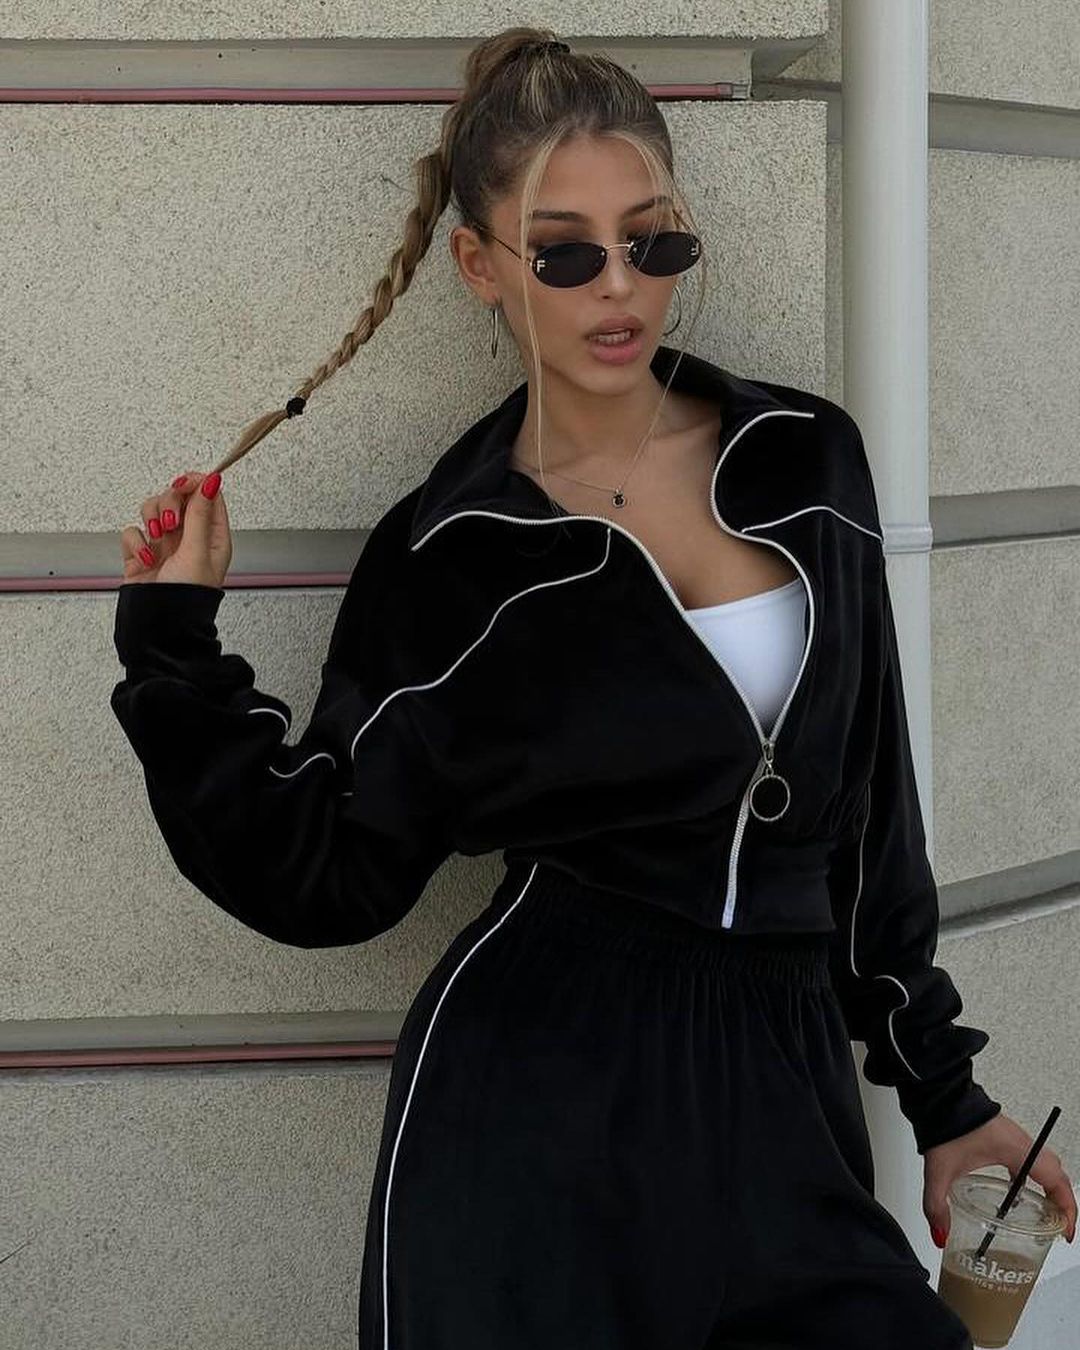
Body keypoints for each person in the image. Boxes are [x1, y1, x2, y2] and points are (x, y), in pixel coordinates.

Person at [110, 26, 1076, 1350]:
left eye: (652, 241)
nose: (617, 285)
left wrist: (945, 1095)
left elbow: (869, 810)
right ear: (482, 266)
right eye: (564, 251)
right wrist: (172, 643)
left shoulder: (806, 460)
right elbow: (330, 867)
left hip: (784, 1085)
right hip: (538, 1109)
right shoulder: (450, 555)